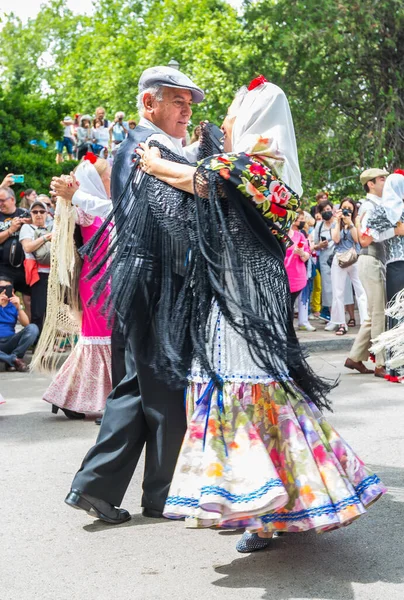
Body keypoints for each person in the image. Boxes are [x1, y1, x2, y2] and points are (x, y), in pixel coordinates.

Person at [135, 77, 385, 553]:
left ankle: (258, 506)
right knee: (262, 387)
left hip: (238, 295)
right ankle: (281, 503)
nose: (226, 119)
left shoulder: (250, 164)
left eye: (235, 112)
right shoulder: (279, 169)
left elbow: (204, 182)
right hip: (254, 291)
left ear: (252, 119)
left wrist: (154, 162)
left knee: (241, 386)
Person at [64, 65, 205, 524]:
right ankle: (164, 495)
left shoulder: (145, 148)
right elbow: (173, 222)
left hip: (142, 275)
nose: (187, 111)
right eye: (178, 101)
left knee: (135, 386)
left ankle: (96, 486)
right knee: (164, 382)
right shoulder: (151, 149)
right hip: (156, 276)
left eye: (189, 103)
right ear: (150, 104)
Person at [39, 154, 113, 418]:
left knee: (98, 342)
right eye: (107, 177)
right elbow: (64, 212)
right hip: (96, 283)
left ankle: (66, 395)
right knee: (99, 341)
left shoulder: (107, 205)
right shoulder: (83, 210)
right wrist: (68, 191)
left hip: (110, 280)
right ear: (95, 180)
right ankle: (88, 400)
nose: (111, 180)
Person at [344, 168, 397, 376]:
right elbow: (367, 236)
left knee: (375, 312)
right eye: (382, 179)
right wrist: (395, 230)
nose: (385, 182)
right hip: (370, 259)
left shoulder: (375, 205)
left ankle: (355, 357)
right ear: (371, 184)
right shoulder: (369, 206)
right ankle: (380, 364)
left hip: (375, 260)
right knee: (378, 314)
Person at [364, 172, 404, 382]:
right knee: (396, 314)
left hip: (396, 266)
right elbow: (370, 234)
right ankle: (396, 367)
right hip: (396, 264)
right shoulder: (383, 210)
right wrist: (395, 232)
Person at [329, 198, 368, 336]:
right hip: (339, 259)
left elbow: (358, 239)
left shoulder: (356, 221)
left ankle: (365, 323)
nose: (346, 210)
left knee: (361, 291)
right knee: (337, 292)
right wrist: (337, 221)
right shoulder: (336, 222)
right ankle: (341, 323)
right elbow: (336, 239)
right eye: (344, 207)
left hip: (355, 258)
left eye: (349, 208)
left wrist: (350, 223)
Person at [19, 200, 53, 334]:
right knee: (38, 310)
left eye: (42, 211)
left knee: (52, 310)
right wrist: (46, 238)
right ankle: (38, 343)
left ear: (47, 213)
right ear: (31, 214)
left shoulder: (53, 227)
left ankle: (51, 341)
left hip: (54, 273)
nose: (38, 215)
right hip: (38, 273)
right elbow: (27, 247)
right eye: (35, 212)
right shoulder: (27, 228)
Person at [0, 274, 39, 372]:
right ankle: (14, 360)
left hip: (10, 341)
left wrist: (19, 307)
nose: (4, 291)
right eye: (1, 288)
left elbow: (26, 324)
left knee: (33, 328)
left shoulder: (13, 305)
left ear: (12, 290)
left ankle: (14, 356)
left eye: (7, 288)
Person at [0, 186, 31, 297]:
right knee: (5, 296)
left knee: (28, 300)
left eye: (2, 200)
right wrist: (10, 230)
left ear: (12, 199)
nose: (0, 204)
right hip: (4, 267)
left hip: (24, 266)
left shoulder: (24, 213)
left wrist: (30, 223)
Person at [284, 210, 312, 330]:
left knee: (289, 305)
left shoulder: (299, 236)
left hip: (296, 277)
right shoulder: (275, 235)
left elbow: (306, 256)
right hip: (281, 275)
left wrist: (301, 253)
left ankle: (289, 333)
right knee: (284, 306)